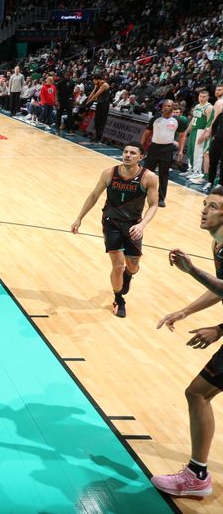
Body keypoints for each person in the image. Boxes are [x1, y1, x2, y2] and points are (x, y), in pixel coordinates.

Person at [152, 186, 223, 497]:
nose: (204, 210)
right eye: (205, 204)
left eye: (213, 206)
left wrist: (220, 329)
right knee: (198, 393)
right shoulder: (218, 245)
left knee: (197, 393)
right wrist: (185, 310)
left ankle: (197, 476)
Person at [71, 142, 159, 318]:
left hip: (134, 224)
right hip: (111, 222)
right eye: (125, 151)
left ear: (141, 157)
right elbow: (94, 195)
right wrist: (79, 218)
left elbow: (154, 205)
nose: (127, 155)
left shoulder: (149, 177)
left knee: (133, 266)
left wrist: (142, 225)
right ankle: (119, 298)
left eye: (132, 153)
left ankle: (129, 275)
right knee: (117, 265)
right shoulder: (109, 173)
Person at [141, 99, 188, 207]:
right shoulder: (155, 119)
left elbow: (182, 136)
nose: (167, 107)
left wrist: (180, 150)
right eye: (165, 106)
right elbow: (147, 133)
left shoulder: (177, 121)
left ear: (173, 107)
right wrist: (141, 147)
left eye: (169, 106)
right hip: (154, 148)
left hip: (167, 149)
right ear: (162, 107)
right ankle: (141, 194)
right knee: (147, 173)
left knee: (164, 174)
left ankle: (161, 199)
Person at [185, 90, 213, 184]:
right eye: (200, 96)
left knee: (198, 152)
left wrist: (204, 134)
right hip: (194, 130)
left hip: (200, 131)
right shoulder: (197, 106)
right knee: (190, 150)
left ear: (208, 97)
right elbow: (194, 119)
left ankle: (197, 171)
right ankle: (191, 169)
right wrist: (187, 130)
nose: (202, 98)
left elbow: (210, 122)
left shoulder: (209, 107)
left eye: (204, 96)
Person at [204, 85, 223, 191]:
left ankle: (220, 184)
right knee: (213, 162)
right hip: (217, 141)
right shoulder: (221, 115)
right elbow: (215, 124)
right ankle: (210, 181)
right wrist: (215, 135)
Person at [85, 74, 111, 142]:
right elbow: (92, 93)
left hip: (104, 104)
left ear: (98, 79)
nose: (93, 82)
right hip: (99, 103)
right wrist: (87, 100)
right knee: (97, 120)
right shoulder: (97, 84)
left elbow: (96, 95)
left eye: (94, 80)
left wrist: (89, 102)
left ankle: (99, 137)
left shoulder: (104, 85)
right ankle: (96, 136)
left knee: (101, 121)